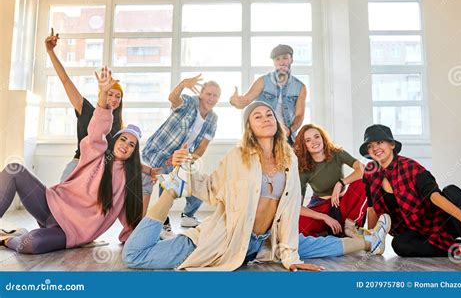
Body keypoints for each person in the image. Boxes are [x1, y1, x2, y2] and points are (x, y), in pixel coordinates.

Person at [122, 102, 391, 271]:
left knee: (311, 247)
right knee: (134, 256)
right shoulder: (237, 157)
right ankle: (171, 189)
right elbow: (210, 189)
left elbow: (287, 212)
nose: (265, 118)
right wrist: (185, 174)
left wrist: (291, 257)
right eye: (257, 116)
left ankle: (370, 242)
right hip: (224, 238)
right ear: (249, 127)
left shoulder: (290, 160)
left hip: (263, 241)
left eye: (269, 114)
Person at [0, 68, 143, 253]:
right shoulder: (97, 153)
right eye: (123, 139)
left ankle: (8, 238)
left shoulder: (127, 182)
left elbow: (130, 219)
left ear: (134, 151)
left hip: (70, 231)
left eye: (132, 144)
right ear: (115, 140)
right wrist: (102, 97)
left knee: (29, 244)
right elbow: (96, 130)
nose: (125, 145)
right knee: (14, 169)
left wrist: (137, 240)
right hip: (51, 206)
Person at [45, 29, 158, 212]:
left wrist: (148, 170)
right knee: (58, 204)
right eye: (110, 94)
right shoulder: (87, 109)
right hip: (80, 164)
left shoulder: (118, 126)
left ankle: (137, 228)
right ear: (102, 93)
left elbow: (121, 156)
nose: (113, 99)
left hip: (101, 170)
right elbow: (65, 80)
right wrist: (51, 51)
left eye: (118, 96)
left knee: (142, 180)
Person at [360, 124, 461, 257]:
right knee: (399, 244)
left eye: (379, 142)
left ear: (392, 145)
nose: (375, 148)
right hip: (416, 231)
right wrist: (371, 239)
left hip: (441, 221)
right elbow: (372, 208)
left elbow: (434, 196)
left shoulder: (411, 167)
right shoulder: (370, 172)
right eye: (370, 145)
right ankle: (460, 249)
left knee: (451, 191)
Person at [141, 74, 220, 238]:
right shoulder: (190, 102)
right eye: (208, 94)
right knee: (170, 179)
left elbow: (202, 147)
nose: (211, 98)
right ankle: (161, 221)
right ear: (201, 94)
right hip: (158, 151)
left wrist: (187, 160)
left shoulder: (213, 118)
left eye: (215, 95)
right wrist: (183, 84)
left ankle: (188, 216)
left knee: (197, 180)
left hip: (183, 157)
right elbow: (173, 98)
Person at [294, 124, 367, 237]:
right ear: (304, 145)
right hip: (321, 208)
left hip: (344, 206)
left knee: (365, 180)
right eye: (308, 140)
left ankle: (350, 226)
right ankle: (327, 231)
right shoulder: (304, 169)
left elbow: (362, 169)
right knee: (297, 224)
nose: (314, 142)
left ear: (322, 138)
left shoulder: (337, 153)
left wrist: (341, 183)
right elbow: (297, 206)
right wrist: (324, 217)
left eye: (316, 137)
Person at [230, 44, 307, 143]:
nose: (281, 62)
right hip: (262, 134)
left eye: (285, 58)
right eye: (277, 59)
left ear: (291, 60)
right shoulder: (262, 81)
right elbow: (244, 102)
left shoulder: (300, 87)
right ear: (274, 62)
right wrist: (234, 101)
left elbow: (299, 115)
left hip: (285, 137)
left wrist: (290, 130)